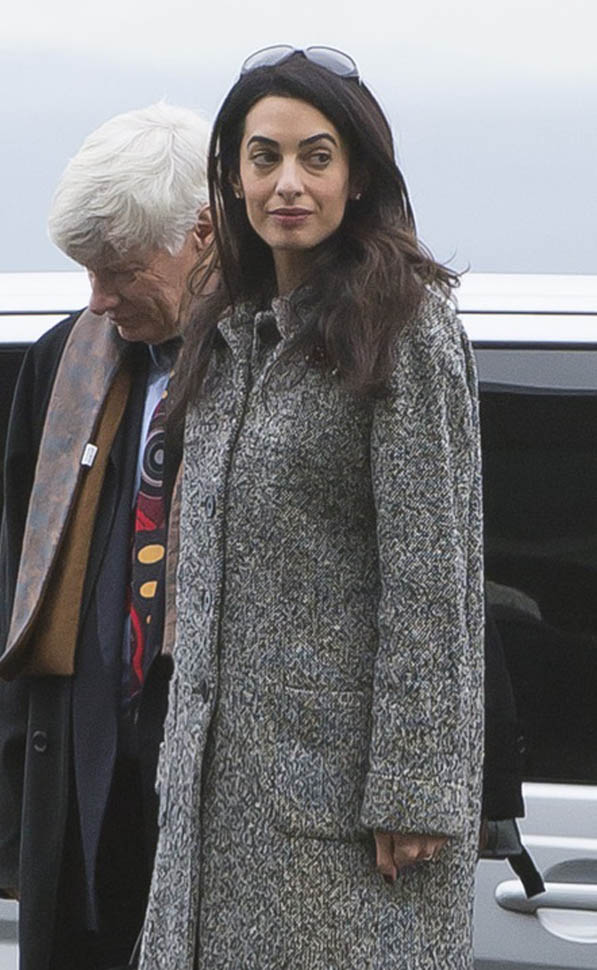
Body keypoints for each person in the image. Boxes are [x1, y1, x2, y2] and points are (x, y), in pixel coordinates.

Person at [140, 47, 484, 970]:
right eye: (264, 158)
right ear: (233, 177)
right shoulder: (223, 327)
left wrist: (415, 787)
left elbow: (433, 572)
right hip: (214, 805)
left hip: (342, 813)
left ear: (356, 175)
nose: (287, 182)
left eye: (315, 156)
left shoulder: (404, 324)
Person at [0, 102, 211, 970]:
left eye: (118, 271)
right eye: (87, 272)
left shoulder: (287, 365)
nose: (98, 299)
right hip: (87, 792)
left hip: (214, 793)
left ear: (202, 234)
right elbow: (18, 583)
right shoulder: (64, 363)